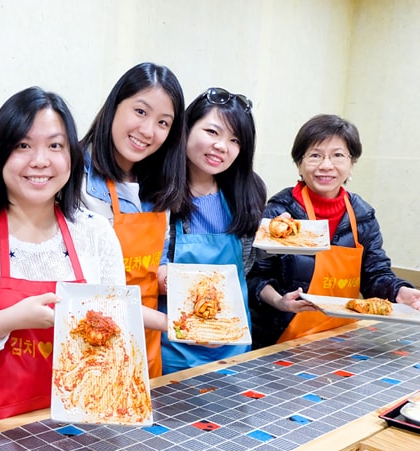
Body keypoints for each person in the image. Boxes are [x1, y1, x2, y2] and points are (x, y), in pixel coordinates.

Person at [0, 87, 126, 436]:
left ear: (72, 156)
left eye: (55, 145)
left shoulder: (96, 232)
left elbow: (116, 332)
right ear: (0, 153)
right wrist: (7, 321)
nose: (40, 160)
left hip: (77, 429)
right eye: (23, 145)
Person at [247, 114, 420, 347]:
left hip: (339, 339)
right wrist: (280, 301)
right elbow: (255, 276)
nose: (326, 165)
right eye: (315, 155)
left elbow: (375, 274)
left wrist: (399, 291)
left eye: (338, 155)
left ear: (351, 163)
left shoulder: (362, 215)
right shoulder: (280, 214)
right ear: (299, 163)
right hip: (279, 342)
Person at [80, 62, 186, 378]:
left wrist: (173, 282)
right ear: (115, 105)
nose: (148, 131)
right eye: (140, 112)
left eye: (163, 122)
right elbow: (87, 289)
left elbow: (158, 260)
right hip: (93, 341)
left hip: (144, 341)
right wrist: (176, 325)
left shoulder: (159, 184)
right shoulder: (76, 177)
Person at [157, 87, 267, 373]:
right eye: (212, 132)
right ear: (186, 128)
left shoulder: (247, 192)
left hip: (233, 344)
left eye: (235, 140)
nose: (222, 146)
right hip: (173, 346)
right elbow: (147, 270)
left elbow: (243, 268)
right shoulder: (157, 190)